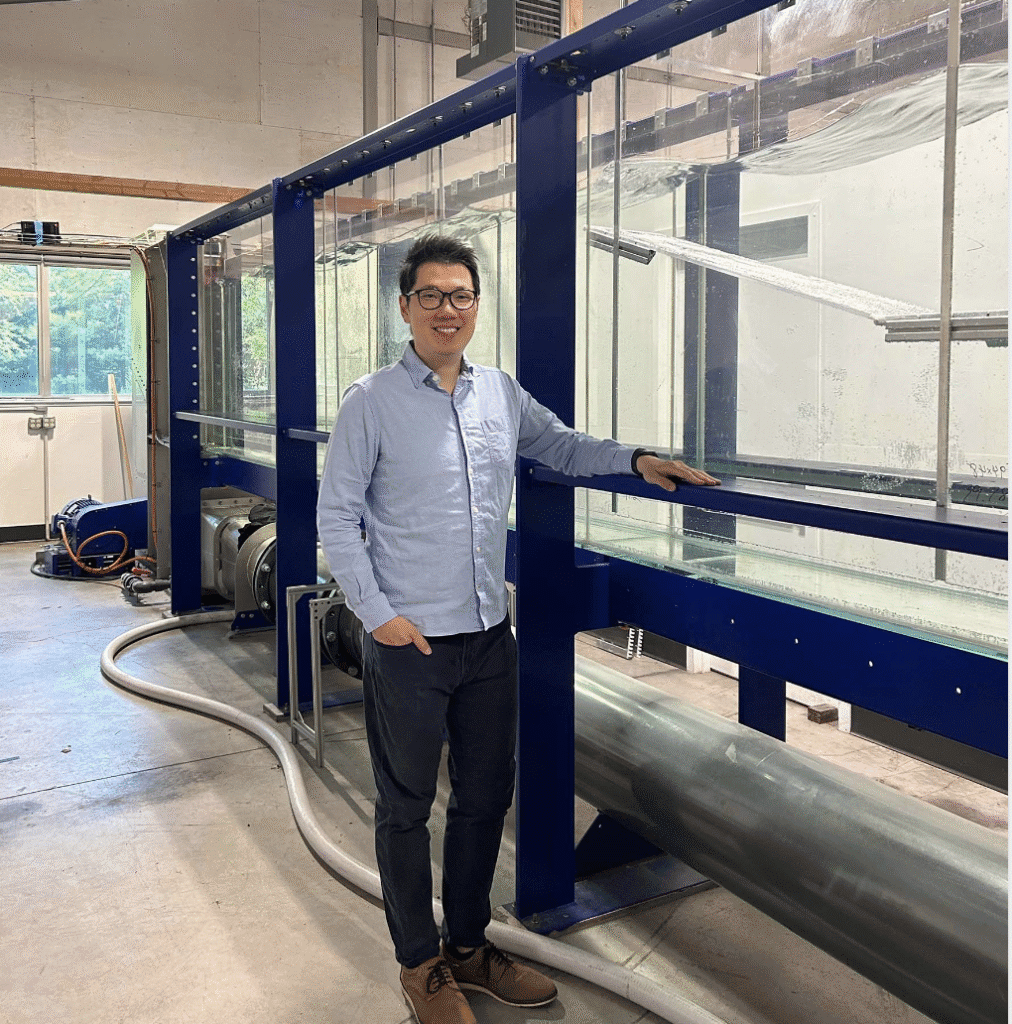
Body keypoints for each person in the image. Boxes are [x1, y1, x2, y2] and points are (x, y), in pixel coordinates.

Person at [317, 234, 720, 1024]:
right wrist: (379, 618)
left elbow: (561, 445)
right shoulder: (372, 400)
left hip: (485, 635)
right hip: (410, 644)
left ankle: (468, 946)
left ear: (476, 307)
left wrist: (637, 458)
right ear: (405, 308)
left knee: (482, 799)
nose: (447, 309)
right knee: (404, 808)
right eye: (430, 295)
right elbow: (337, 515)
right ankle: (419, 966)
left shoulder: (498, 393)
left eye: (461, 295)